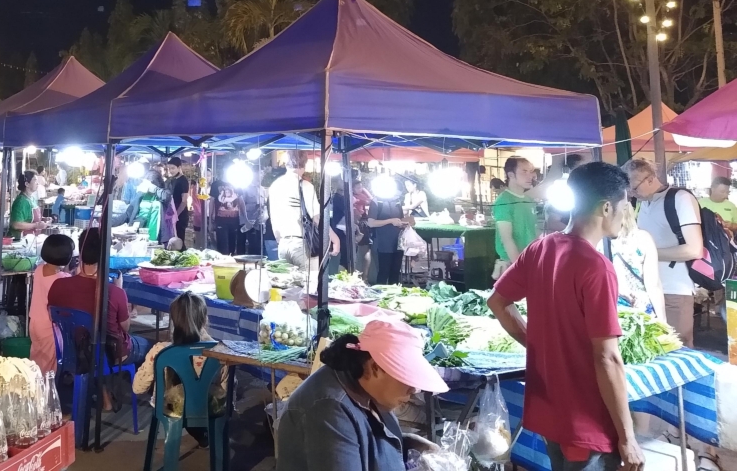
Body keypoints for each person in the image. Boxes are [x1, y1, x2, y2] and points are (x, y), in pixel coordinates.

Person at [488, 162, 644, 471]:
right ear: (607, 208)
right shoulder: (596, 266)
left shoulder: (540, 248)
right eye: (624, 206)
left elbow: (497, 302)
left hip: (551, 412)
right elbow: (607, 357)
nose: (625, 214)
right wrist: (628, 437)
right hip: (587, 420)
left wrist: (538, 344)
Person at [276, 319, 446, 471]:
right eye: (406, 376)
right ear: (375, 367)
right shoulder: (328, 409)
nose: (413, 389)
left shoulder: (363, 386)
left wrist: (410, 443)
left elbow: (361, 441)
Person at [49, 227, 152, 409]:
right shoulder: (114, 291)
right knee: (151, 347)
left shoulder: (58, 285)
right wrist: (119, 289)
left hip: (72, 350)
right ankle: (150, 401)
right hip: (110, 352)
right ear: (105, 254)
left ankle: (105, 396)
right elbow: (125, 328)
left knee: (95, 345)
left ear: (80, 250)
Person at [623, 158, 703, 348]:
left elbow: (694, 249)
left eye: (634, 188)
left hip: (675, 289)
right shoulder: (644, 203)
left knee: (677, 347)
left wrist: (648, 254)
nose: (632, 194)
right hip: (649, 290)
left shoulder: (680, 198)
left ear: (650, 179)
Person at [132, 292, 226, 447]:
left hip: (169, 409)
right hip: (208, 408)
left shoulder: (160, 351)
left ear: (173, 320)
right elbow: (227, 390)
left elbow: (138, 388)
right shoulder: (220, 351)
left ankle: (196, 435)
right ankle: (205, 435)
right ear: (205, 319)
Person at [267, 154, 340, 272]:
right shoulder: (305, 185)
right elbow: (316, 218)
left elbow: (273, 217)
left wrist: (280, 239)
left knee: (288, 282)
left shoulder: (275, 185)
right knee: (310, 282)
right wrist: (335, 239)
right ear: (304, 165)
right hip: (301, 244)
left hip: (283, 244)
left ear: (286, 164)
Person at [599, 199, 666, 319]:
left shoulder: (596, 241)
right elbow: (653, 285)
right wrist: (662, 321)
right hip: (641, 312)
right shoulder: (643, 238)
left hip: (609, 311)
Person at [29, 233, 74, 373]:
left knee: (37, 357)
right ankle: (46, 386)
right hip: (50, 327)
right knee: (49, 365)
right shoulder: (63, 279)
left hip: (34, 322)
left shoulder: (39, 269)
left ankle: (32, 382)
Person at [491, 157, 541, 279]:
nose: (530, 176)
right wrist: (519, 267)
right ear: (511, 175)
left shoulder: (528, 200)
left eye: (531, 171)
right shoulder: (503, 201)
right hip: (512, 264)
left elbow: (533, 231)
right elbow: (507, 239)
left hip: (530, 261)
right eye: (524, 171)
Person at [367, 191, 414, 286]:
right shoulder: (377, 201)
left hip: (398, 243)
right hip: (383, 244)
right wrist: (390, 221)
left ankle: (394, 293)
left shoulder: (397, 201)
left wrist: (404, 223)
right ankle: (379, 293)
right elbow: (371, 223)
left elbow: (400, 219)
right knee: (384, 272)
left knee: (395, 272)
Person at [8, 170, 45, 238]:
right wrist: (36, 225)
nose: (37, 183)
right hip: (21, 240)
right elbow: (16, 224)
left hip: (31, 238)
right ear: (27, 184)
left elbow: (30, 218)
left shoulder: (32, 198)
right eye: (35, 180)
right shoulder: (21, 202)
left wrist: (43, 220)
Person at [165, 157, 191, 246]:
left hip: (180, 216)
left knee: (179, 242)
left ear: (179, 167)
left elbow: (184, 201)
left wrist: (176, 215)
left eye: (173, 168)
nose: (171, 171)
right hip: (173, 214)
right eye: (169, 168)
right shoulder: (173, 180)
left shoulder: (183, 181)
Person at [213, 184, 245, 255]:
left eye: (228, 192)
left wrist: (245, 218)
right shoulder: (216, 185)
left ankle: (231, 257)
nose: (227, 193)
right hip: (221, 220)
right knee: (222, 245)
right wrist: (211, 219)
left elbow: (241, 202)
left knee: (232, 244)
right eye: (226, 192)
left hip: (234, 220)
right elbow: (212, 202)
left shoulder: (238, 186)